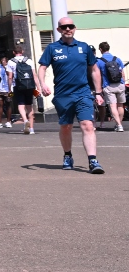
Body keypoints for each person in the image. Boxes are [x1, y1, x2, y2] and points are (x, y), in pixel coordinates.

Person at [37, 17, 105, 174]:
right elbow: (42, 67)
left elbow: (94, 70)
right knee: (66, 126)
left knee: (87, 125)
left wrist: (99, 92)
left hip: (83, 93)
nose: (68, 29)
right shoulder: (52, 48)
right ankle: (67, 155)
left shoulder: (84, 47)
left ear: (75, 28)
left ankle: (93, 160)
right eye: (64, 27)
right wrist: (43, 84)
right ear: (59, 30)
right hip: (63, 95)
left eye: (71, 26)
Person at [95, 42, 125, 132]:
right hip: (120, 84)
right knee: (120, 105)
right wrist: (123, 83)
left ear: (100, 49)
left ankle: (119, 125)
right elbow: (122, 73)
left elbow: (98, 75)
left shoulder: (99, 61)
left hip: (108, 86)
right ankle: (119, 124)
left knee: (113, 106)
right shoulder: (117, 59)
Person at [10, 45, 39, 134]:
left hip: (18, 86)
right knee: (29, 106)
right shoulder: (29, 61)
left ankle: (25, 120)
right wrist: (38, 87)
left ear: (13, 52)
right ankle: (32, 129)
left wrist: (9, 88)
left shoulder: (11, 62)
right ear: (22, 51)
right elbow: (34, 75)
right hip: (29, 86)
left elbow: (10, 77)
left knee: (21, 105)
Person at [0, 53, 15, 128]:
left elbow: (11, 76)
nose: (3, 61)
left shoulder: (10, 67)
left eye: (4, 60)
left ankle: (9, 121)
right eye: (2, 60)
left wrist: (6, 68)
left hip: (9, 89)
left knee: (8, 104)